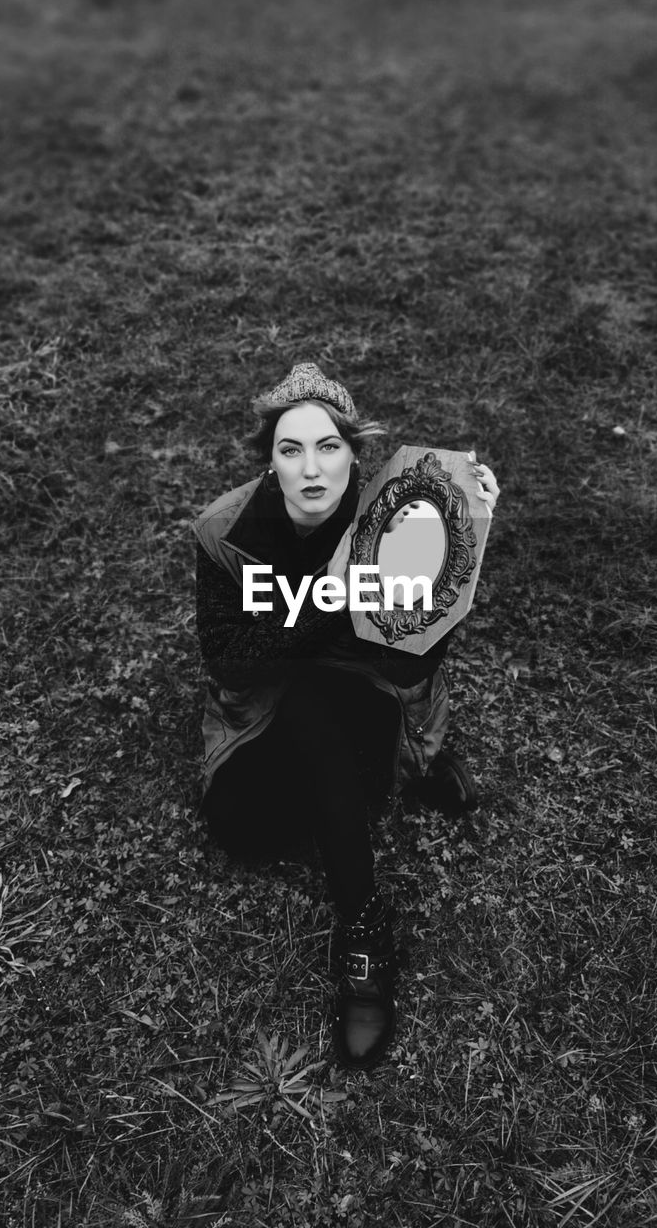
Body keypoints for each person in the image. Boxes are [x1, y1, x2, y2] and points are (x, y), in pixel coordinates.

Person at [192, 362, 498, 1071]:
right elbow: (231, 662)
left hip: (366, 698)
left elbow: (412, 661)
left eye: (328, 446)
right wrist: (326, 597)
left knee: (318, 710)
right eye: (290, 449)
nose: (311, 468)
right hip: (266, 705)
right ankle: (357, 798)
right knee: (243, 826)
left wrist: (468, 532)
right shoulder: (225, 531)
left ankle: (363, 931)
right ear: (268, 459)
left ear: (354, 456)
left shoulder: (401, 515)